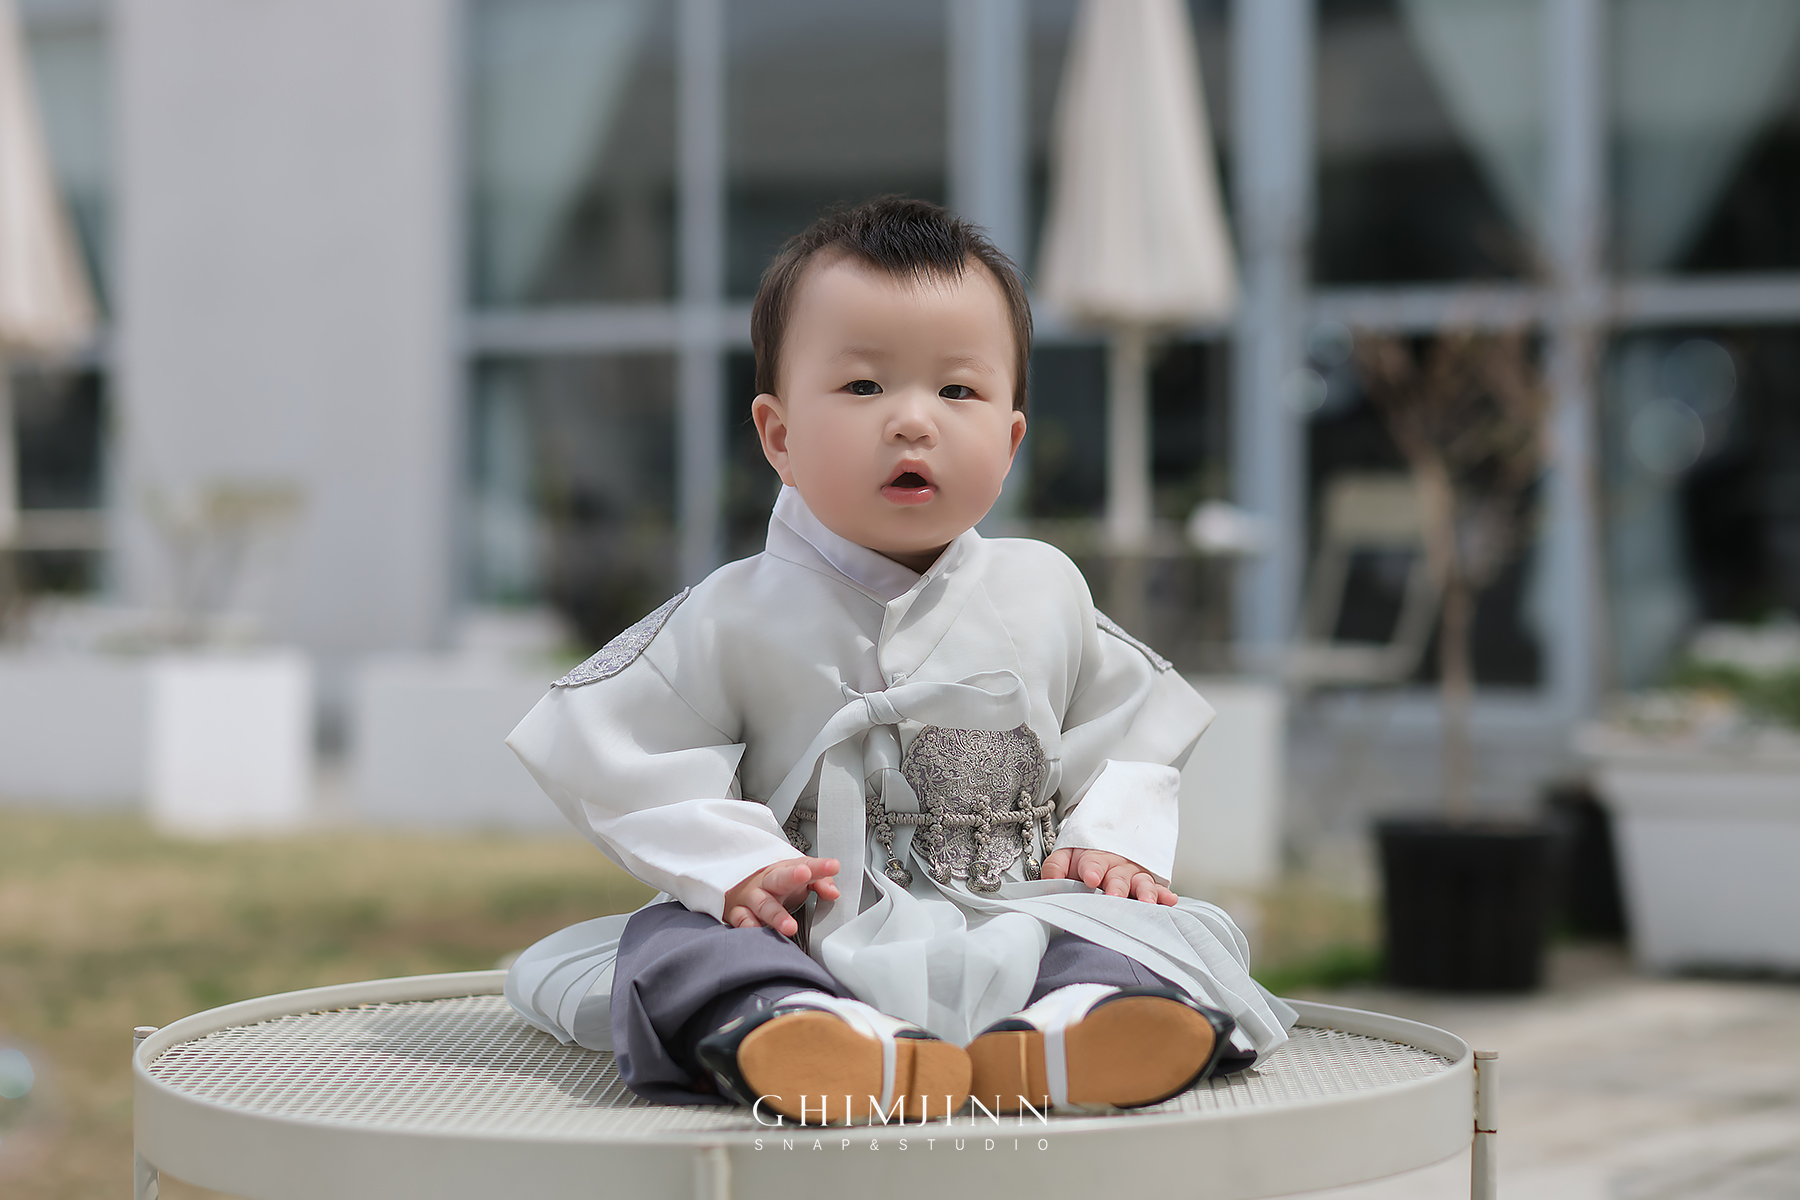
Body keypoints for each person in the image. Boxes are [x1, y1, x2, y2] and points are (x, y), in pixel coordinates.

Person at [504, 197, 1295, 1126]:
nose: (913, 422)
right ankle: (798, 1025)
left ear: (1010, 440)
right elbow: (622, 746)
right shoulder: (732, 611)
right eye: (863, 386)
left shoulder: (1045, 588)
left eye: (957, 392)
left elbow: (1132, 724)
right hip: (810, 925)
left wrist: (1111, 839)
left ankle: (1079, 1021)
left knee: (1148, 930)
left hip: (1022, 908)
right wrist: (738, 866)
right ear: (778, 435)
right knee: (680, 944)